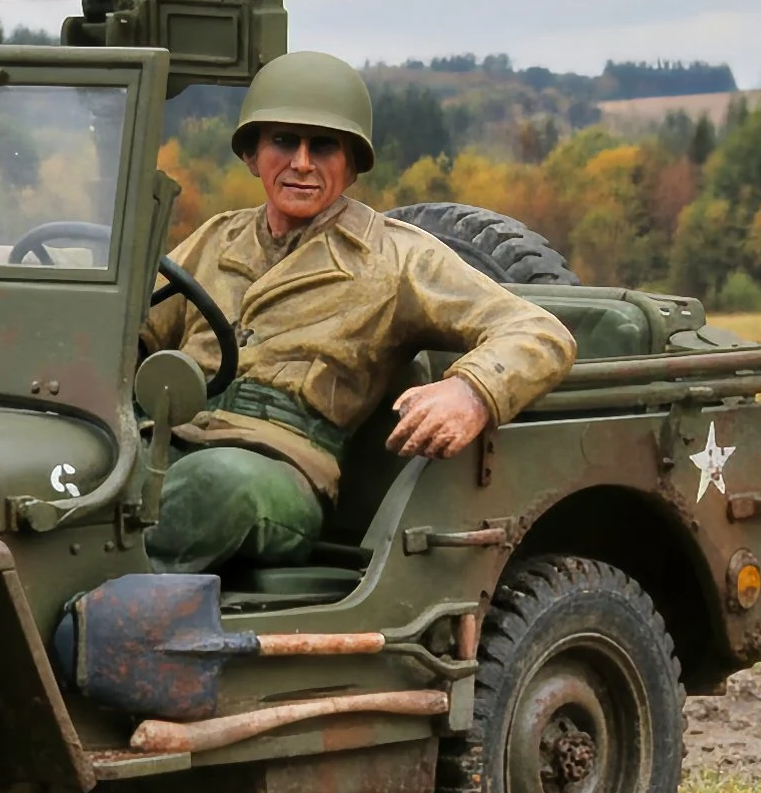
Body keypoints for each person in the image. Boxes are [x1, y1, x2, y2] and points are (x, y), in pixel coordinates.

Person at [138, 51, 576, 575]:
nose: (301, 162)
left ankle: (99, 629)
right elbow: (132, 332)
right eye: (283, 141)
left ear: (351, 163)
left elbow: (539, 331)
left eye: (322, 146)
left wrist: (472, 391)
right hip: (170, 437)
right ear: (253, 156)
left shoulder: (395, 257)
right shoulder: (217, 238)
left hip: (281, 468)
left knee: (209, 488)